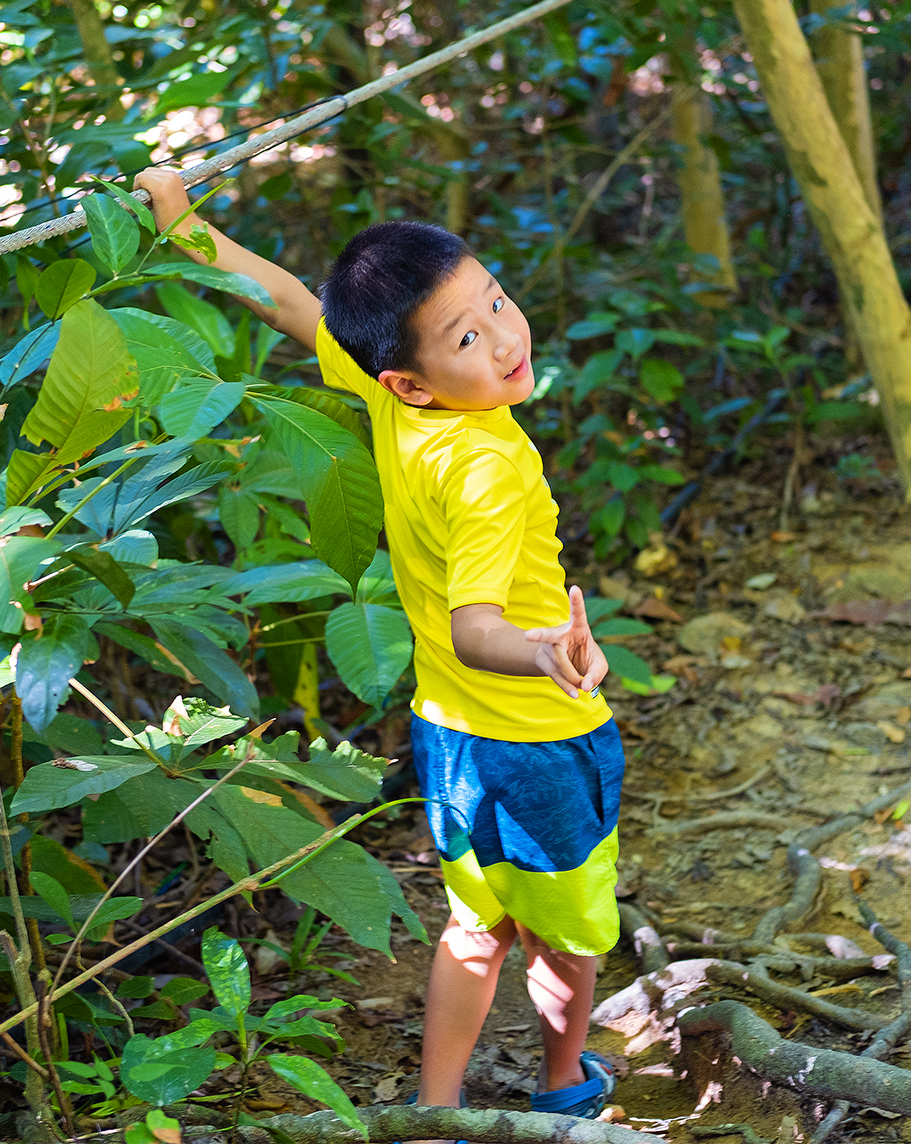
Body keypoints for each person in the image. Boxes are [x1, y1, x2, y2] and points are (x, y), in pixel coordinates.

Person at [134, 168, 621, 1134]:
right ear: (411, 376)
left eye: (495, 300)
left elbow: (281, 300)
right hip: (535, 738)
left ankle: (437, 1109)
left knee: (476, 926)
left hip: (450, 738)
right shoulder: (485, 464)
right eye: (470, 338)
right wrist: (549, 655)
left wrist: (177, 216)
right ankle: (565, 1082)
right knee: (567, 936)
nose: (505, 335)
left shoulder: (400, 397)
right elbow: (474, 628)